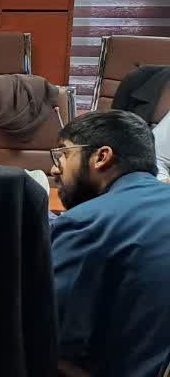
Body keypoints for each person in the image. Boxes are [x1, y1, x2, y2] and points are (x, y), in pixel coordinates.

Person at [50, 110, 170, 377]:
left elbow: (49, 335)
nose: (54, 168)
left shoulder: (86, 223)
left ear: (101, 157)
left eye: (63, 154)